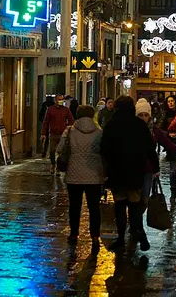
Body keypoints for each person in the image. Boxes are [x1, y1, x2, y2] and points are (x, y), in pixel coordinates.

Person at [101, 96, 159, 251]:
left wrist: (108, 166)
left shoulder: (111, 125)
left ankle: (121, 239)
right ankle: (137, 232)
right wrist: (155, 166)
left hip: (117, 173)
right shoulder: (139, 125)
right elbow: (150, 149)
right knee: (135, 206)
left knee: (120, 206)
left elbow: (104, 149)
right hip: (136, 173)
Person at [57, 105, 104, 251]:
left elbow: (60, 149)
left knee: (75, 206)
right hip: (94, 175)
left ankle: (74, 233)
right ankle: (95, 236)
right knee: (94, 207)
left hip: (74, 175)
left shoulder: (69, 130)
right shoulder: (99, 132)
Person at [41, 94, 74, 174]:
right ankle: (53, 164)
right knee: (52, 151)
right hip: (53, 134)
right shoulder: (50, 110)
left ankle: (58, 168)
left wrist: (68, 127)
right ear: (55, 100)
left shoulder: (66, 110)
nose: (61, 101)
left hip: (63, 134)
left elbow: (71, 120)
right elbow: (46, 122)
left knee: (61, 152)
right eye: (59, 99)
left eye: (62, 99)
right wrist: (43, 133)